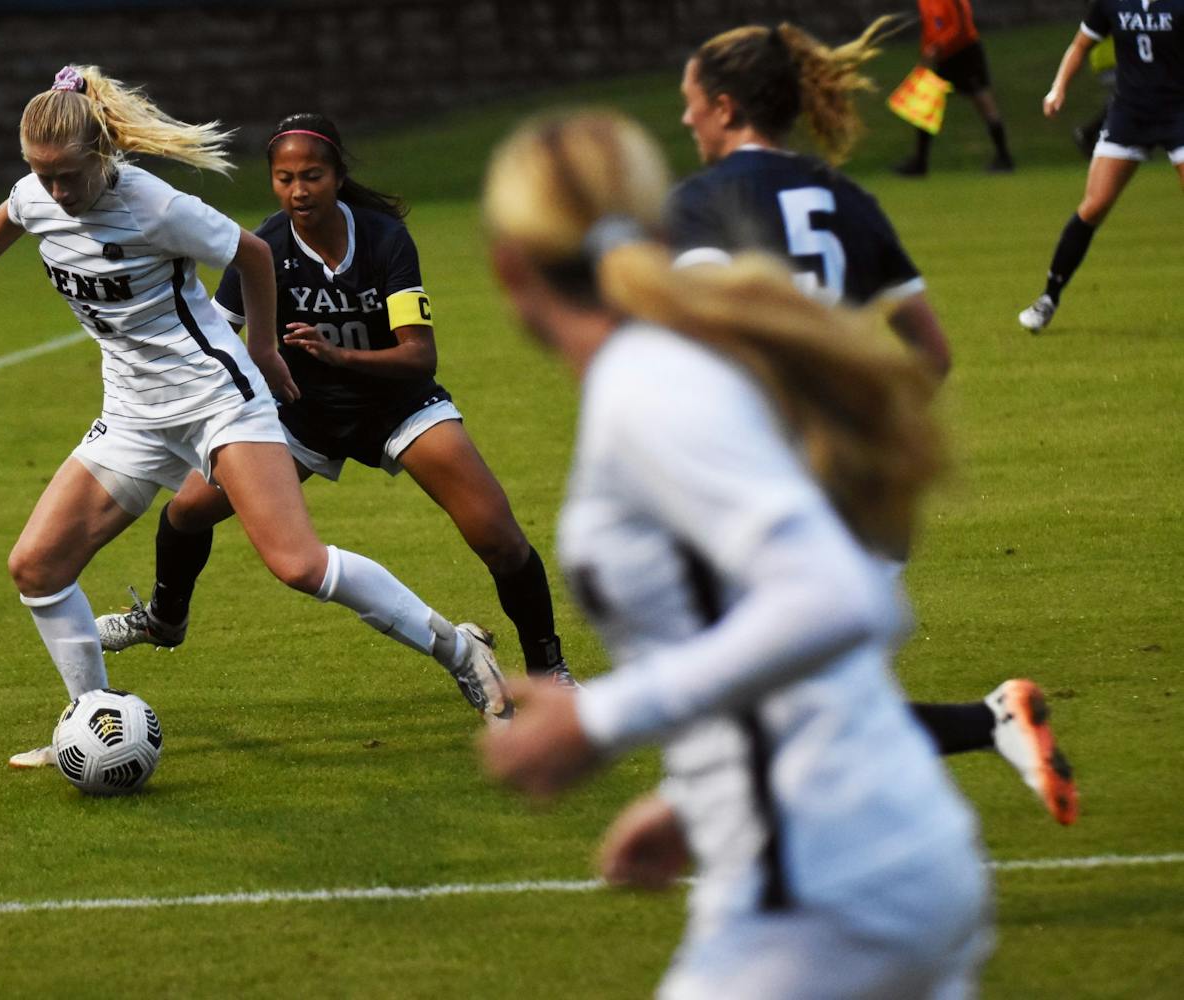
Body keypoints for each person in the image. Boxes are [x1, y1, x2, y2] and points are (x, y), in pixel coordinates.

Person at [481, 109, 990, 998]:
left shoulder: (649, 386)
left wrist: (601, 719)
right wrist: (693, 798)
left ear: (510, 267)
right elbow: (760, 620)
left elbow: (838, 597)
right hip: (869, 853)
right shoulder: (671, 372)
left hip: (822, 888)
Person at [0, 67, 515, 769]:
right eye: (44, 176)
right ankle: (94, 719)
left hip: (217, 401)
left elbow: (254, 253)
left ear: (102, 155)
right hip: (133, 414)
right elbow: (10, 215)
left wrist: (263, 348)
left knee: (298, 564)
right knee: (36, 567)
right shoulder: (36, 195)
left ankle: (460, 651)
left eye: (69, 176)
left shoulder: (153, 205)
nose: (58, 192)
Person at [666, 20, 1077, 824]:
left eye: (691, 102)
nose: (685, 119)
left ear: (725, 107)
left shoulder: (701, 205)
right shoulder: (847, 199)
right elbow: (931, 353)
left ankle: (960, 760)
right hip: (870, 493)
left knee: (778, 715)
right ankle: (992, 725)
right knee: (809, 714)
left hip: (777, 499)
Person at [95, 113, 578, 687]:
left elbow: (420, 356)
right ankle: (165, 618)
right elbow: (217, 338)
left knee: (498, 536)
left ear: (338, 176)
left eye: (313, 176)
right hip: (302, 414)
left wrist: (338, 356)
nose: (298, 191)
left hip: (399, 406)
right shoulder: (263, 247)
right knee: (187, 510)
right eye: (285, 178)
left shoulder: (383, 238)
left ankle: (550, 673)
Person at [1018, 1, 1184, 333]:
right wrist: (1058, 88)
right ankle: (1048, 298)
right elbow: (1081, 45)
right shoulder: (1113, 2)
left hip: (1178, 112)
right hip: (1129, 115)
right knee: (1094, 205)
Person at [895, 0, 1016, 175]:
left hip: (965, 52)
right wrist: (927, 50)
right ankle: (920, 162)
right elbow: (931, 26)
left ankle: (1004, 157)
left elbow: (961, 25)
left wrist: (939, 44)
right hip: (943, 56)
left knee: (983, 101)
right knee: (928, 104)